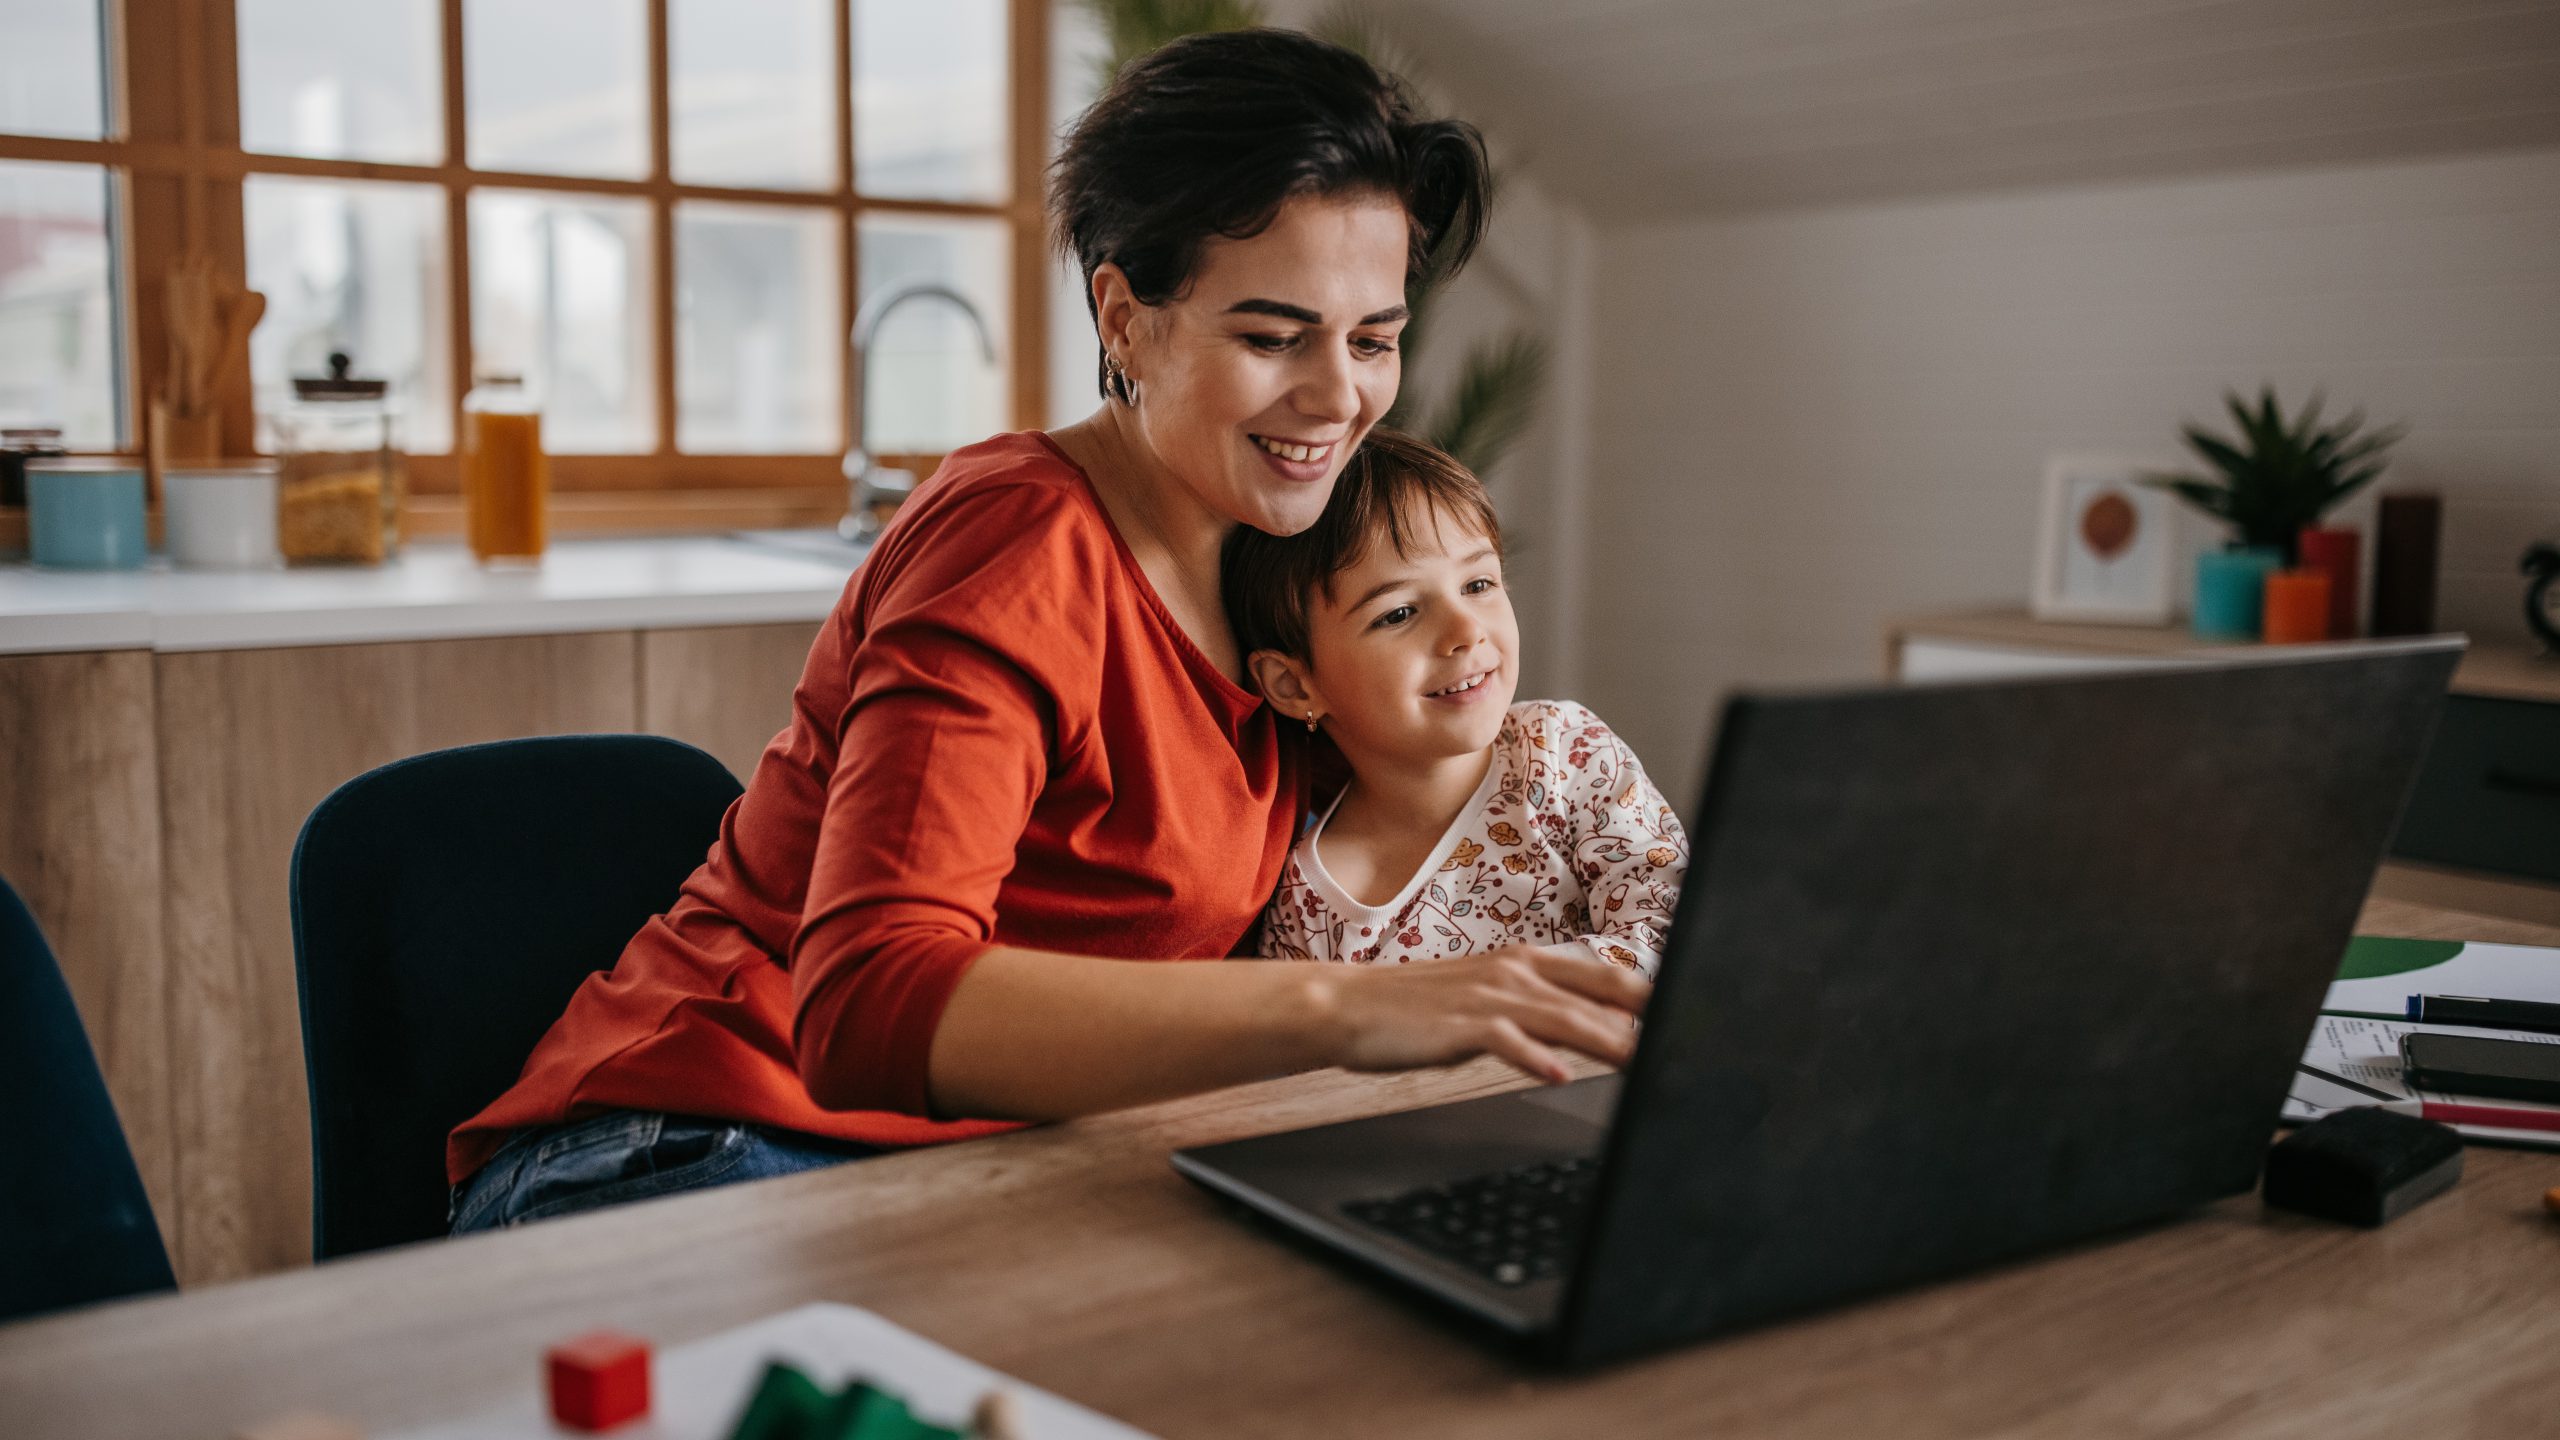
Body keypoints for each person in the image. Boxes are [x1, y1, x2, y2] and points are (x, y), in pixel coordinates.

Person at [447, 29, 1648, 1235]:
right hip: (696, 1142)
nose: (1337, 398)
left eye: (1373, 340)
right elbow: (868, 1004)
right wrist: (1339, 1012)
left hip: (983, 1171)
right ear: (1124, 319)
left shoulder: (1280, 562)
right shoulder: (1018, 545)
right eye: (1272, 336)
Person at [1222, 430, 1687, 980]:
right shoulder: (1304, 907)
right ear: (1295, 686)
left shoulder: (1566, 753)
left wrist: (1484, 993)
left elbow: (1673, 944)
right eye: (1398, 614)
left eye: (1479, 583)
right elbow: (1308, 1059)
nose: (1466, 630)